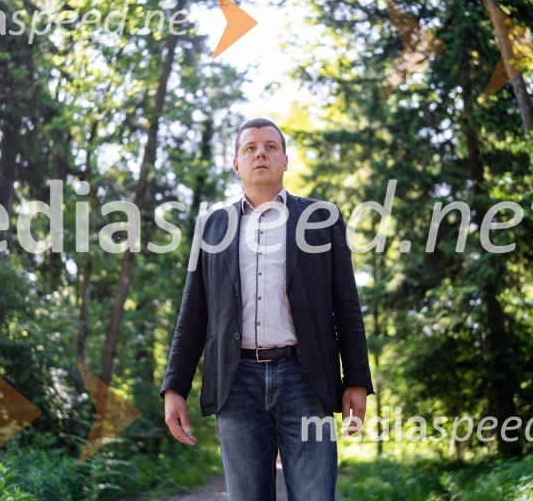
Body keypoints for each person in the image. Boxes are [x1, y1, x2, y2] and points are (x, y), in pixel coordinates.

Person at [160, 118, 373, 501]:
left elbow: (347, 306)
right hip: (236, 383)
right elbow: (193, 312)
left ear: (286, 160)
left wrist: (356, 379)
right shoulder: (211, 226)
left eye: (271, 146)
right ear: (236, 163)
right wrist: (175, 386)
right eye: (251, 147)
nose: (261, 153)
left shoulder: (321, 219)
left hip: (306, 380)